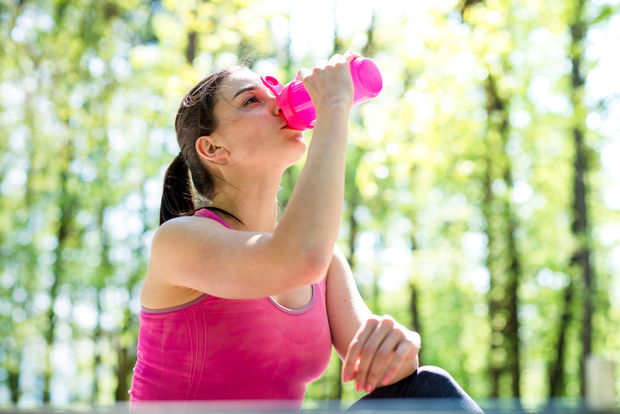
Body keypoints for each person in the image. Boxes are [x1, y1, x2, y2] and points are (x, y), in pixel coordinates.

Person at [129, 51, 483, 413]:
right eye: (251, 100)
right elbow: (297, 258)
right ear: (214, 148)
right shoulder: (179, 240)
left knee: (428, 388)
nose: (280, 104)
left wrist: (397, 348)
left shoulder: (326, 261)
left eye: (275, 91)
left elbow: (385, 374)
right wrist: (333, 108)